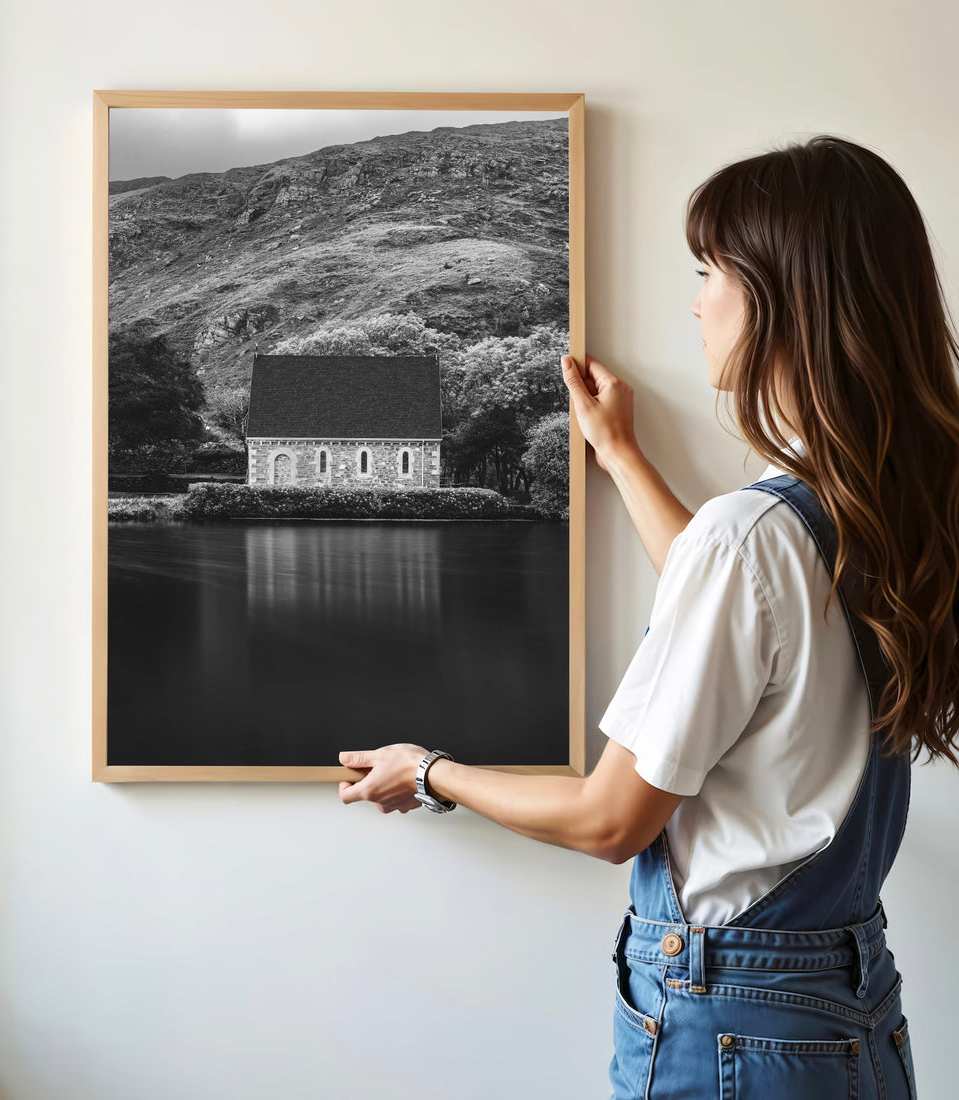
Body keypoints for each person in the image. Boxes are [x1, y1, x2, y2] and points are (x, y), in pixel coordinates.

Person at [336, 134, 959, 1098]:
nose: (697, 300)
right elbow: (747, 623)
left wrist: (427, 772)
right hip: (847, 1011)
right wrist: (622, 456)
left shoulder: (753, 535)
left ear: (785, 299)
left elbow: (609, 819)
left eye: (711, 271)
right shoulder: (877, 508)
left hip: (732, 1027)